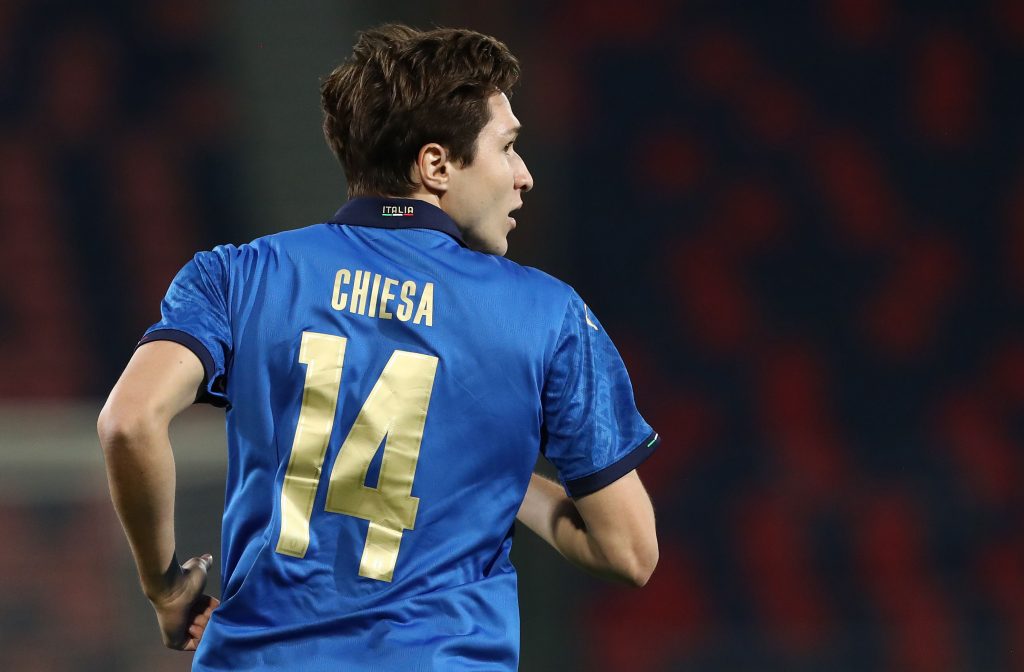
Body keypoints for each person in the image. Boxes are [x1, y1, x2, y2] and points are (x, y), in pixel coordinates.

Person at [98, 24, 659, 671]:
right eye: (507, 148)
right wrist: (505, 476)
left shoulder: (240, 275)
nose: (523, 176)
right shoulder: (548, 316)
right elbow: (629, 553)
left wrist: (165, 587)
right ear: (436, 165)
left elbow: (128, 421)